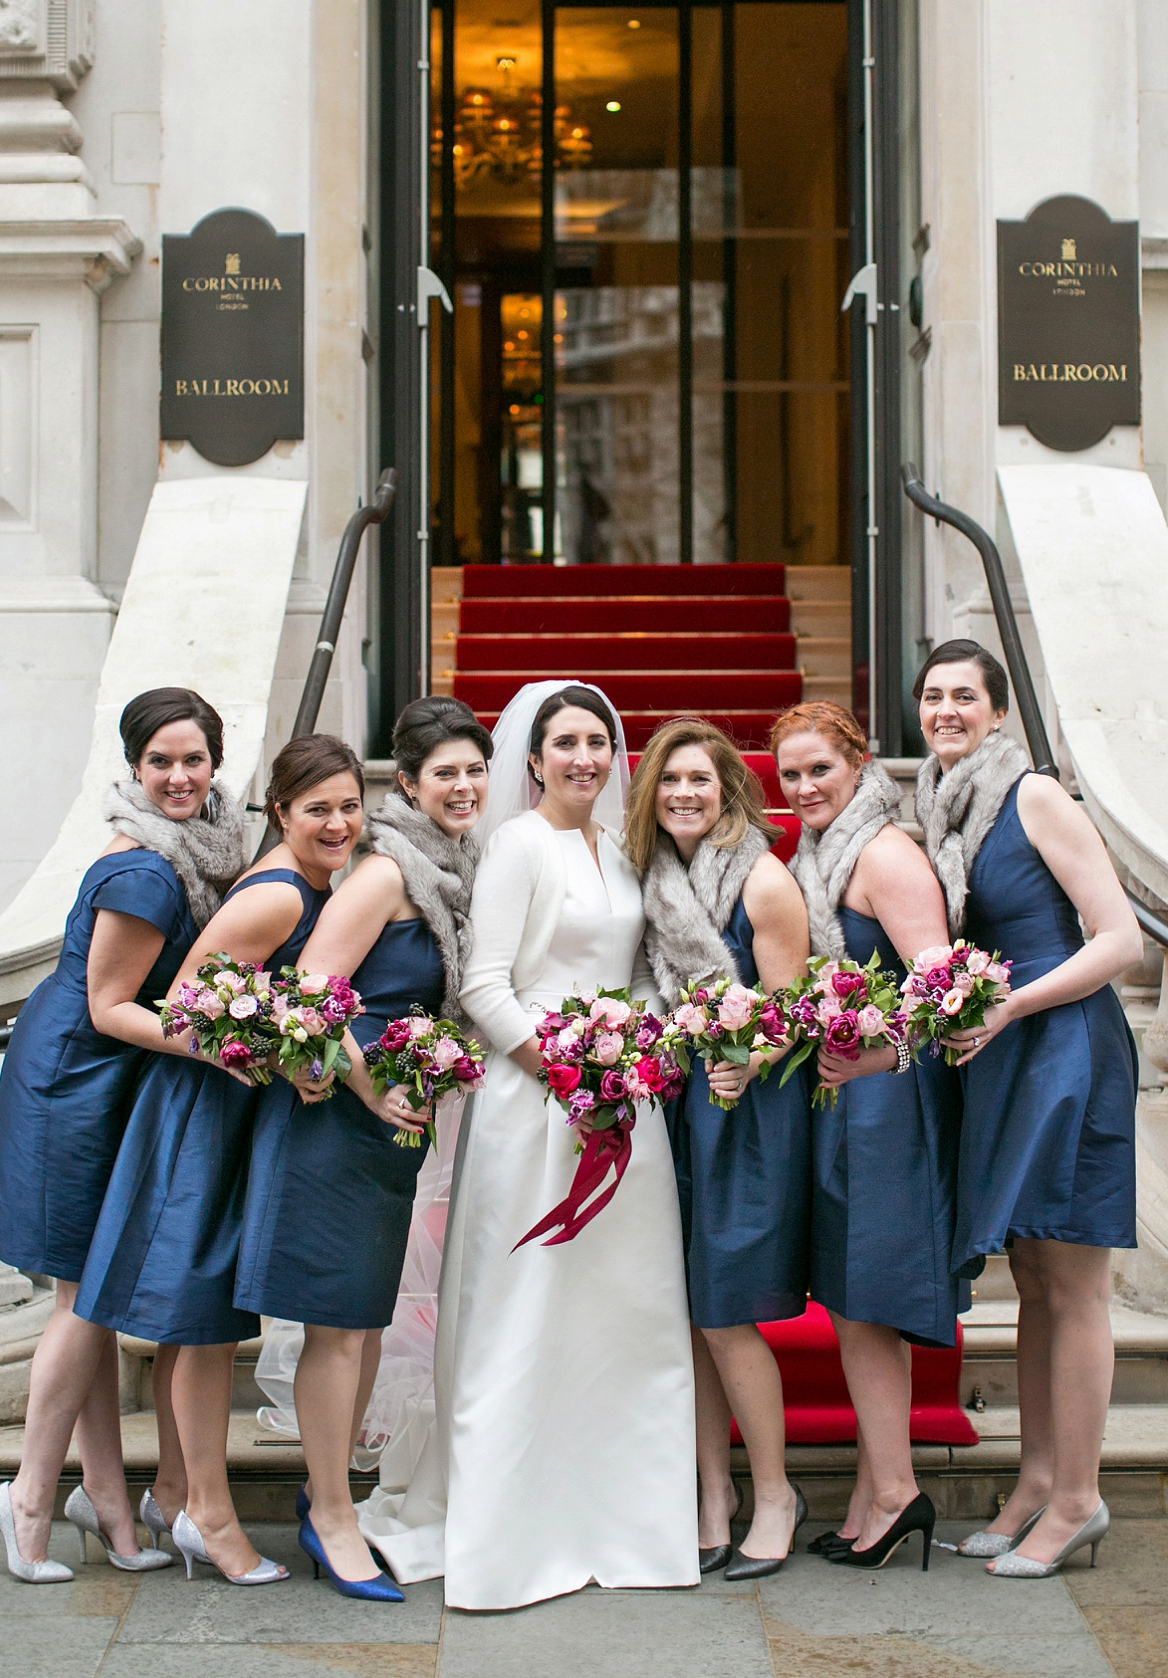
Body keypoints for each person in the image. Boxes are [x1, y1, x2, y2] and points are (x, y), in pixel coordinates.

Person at [359, 681, 697, 1610]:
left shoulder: (626, 848)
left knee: (623, 1315)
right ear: (535, 758)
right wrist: (566, 1072)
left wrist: (635, 1057)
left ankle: (627, 1519)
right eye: (567, 743)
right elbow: (484, 983)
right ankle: (514, 1528)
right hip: (534, 1101)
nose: (586, 757)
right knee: (525, 1306)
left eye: (600, 740)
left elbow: (641, 970)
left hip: (626, 1104)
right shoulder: (517, 844)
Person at [75, 733, 366, 1587]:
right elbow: (191, 1003)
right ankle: (211, 1514)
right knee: (203, 1321)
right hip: (208, 1110)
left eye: (351, 806)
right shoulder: (277, 897)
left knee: (203, 1321)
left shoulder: (322, 884)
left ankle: (174, 1489)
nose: (338, 823)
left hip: (246, 1112)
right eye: (318, 809)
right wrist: (280, 1058)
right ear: (279, 812)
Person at [0, 687, 243, 1584]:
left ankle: (107, 1502)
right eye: (160, 761)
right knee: (82, 1304)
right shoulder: (146, 872)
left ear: (216, 764)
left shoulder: (193, 848)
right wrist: (221, 1048)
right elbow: (108, 1005)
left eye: (193, 759)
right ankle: (25, 1496)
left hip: (106, 1078)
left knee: (83, 1297)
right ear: (134, 766)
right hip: (73, 1085)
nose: (178, 776)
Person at [236, 697, 491, 1601]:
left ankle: (330, 1489)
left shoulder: (450, 869)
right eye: (445, 773)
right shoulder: (385, 874)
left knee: (365, 1320)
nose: (463, 787)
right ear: (410, 788)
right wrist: (365, 1082)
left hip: (391, 1130)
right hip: (337, 1120)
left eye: (475, 770)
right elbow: (311, 984)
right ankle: (332, 1517)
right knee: (337, 1327)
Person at [913, 641, 1141, 1578]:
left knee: (1076, 1279)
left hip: (1067, 1048)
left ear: (1000, 713)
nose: (946, 710)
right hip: (1004, 1058)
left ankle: (1081, 1498)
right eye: (932, 696)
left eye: (966, 695)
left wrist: (1012, 1002)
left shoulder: (1033, 796)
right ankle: (1038, 1480)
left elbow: (1121, 939)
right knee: (1036, 1276)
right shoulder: (939, 807)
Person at [772, 701, 966, 1573]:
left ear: (858, 763)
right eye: (792, 775)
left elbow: (944, 987)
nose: (806, 786)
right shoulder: (821, 852)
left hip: (891, 1100)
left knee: (869, 1301)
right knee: (852, 1299)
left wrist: (881, 1058)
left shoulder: (884, 853)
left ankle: (894, 1492)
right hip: (850, 1100)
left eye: (821, 768)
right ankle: (874, 1486)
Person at [627, 718, 810, 1579]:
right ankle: (713, 1493)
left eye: (700, 779)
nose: (684, 795)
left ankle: (773, 1490)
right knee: (687, 1314)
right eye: (669, 782)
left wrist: (747, 1056)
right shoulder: (650, 876)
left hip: (744, 1112)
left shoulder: (764, 882)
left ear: (731, 787)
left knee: (723, 1311)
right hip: (671, 1107)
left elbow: (793, 1013)